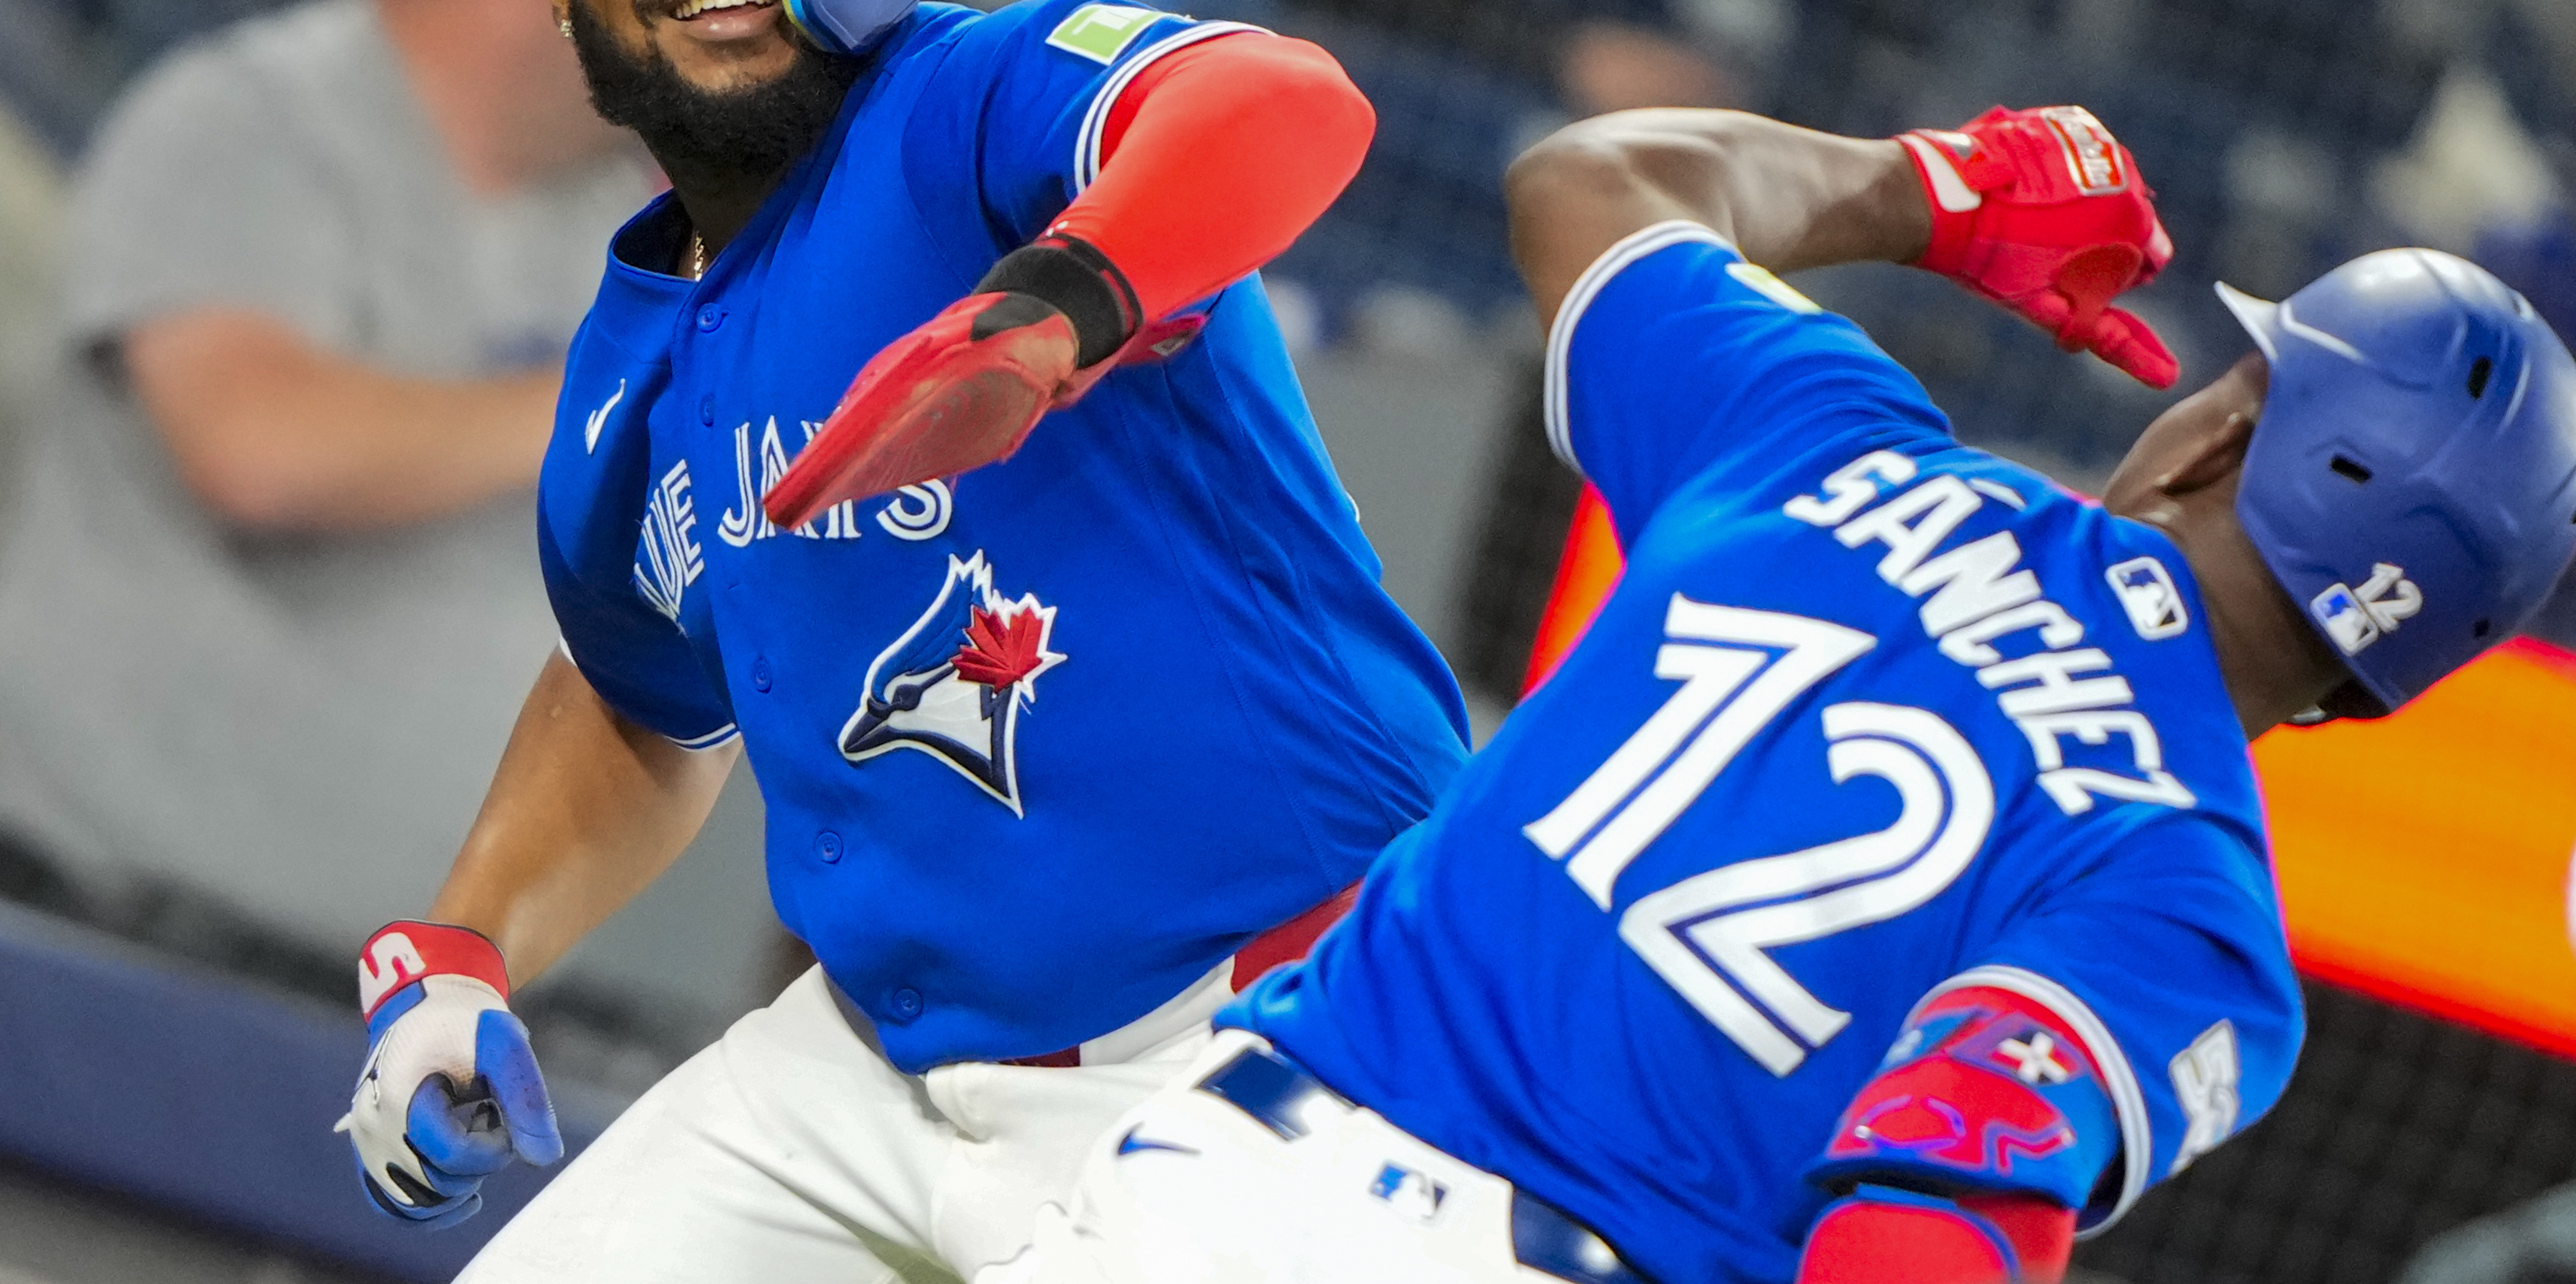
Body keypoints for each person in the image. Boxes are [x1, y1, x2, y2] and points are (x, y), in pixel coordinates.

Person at [980, 103, 2576, 1284]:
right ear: (2398, 678)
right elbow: (1924, 1221)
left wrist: (1924, 193)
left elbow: (1591, 177)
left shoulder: (1828, 438)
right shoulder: (2191, 910)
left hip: (1191, 1183)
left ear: (2219, 438)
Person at [334, 0, 1469, 1281]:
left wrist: (1054, 308)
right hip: (861, 1074)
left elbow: (1276, 100)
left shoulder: (972, 100)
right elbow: (644, 698)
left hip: (1280, 1044)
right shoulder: (628, 364)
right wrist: (461, 952)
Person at [0, 0, 649, 961]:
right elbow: (258, 452)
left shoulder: (620, 223)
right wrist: (624, 386)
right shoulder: (244, 116)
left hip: (410, 1009)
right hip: (91, 951)